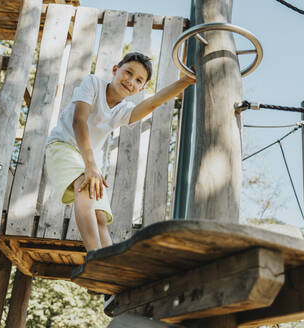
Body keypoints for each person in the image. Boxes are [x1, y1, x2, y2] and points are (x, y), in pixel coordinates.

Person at [45, 52, 195, 252]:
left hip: (89, 162)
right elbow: (78, 121)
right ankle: (95, 257)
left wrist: (186, 80)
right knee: (85, 185)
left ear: (140, 88)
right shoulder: (93, 84)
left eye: (138, 80)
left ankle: (109, 264)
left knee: (99, 218)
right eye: (128, 73)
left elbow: (154, 102)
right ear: (116, 70)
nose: (131, 81)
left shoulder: (124, 110)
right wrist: (90, 166)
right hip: (64, 146)